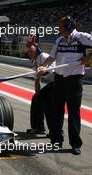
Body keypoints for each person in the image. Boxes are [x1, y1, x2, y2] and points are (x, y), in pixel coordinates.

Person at [37, 16, 92, 155]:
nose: (58, 29)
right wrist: (43, 67)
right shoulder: (59, 40)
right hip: (59, 79)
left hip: (74, 80)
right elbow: (51, 57)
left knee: (74, 113)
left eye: (60, 26)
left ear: (68, 26)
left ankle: (75, 144)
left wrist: (89, 58)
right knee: (57, 111)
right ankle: (56, 141)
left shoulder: (83, 37)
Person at [26, 44, 55, 137]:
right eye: (28, 52)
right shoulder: (35, 61)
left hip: (60, 81)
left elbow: (54, 71)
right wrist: (37, 94)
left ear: (37, 50)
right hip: (52, 84)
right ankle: (39, 127)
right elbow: (37, 79)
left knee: (49, 104)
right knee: (36, 99)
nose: (29, 53)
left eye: (31, 51)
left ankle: (55, 131)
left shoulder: (45, 57)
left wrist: (43, 70)